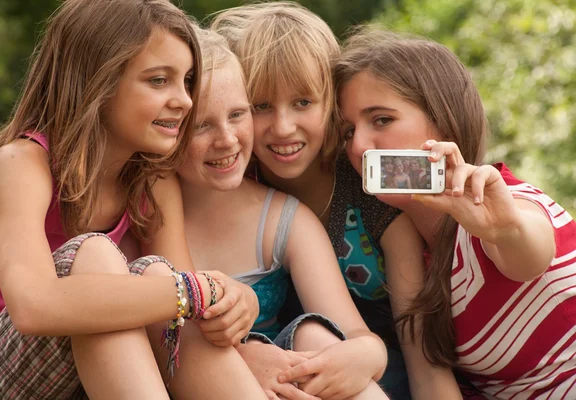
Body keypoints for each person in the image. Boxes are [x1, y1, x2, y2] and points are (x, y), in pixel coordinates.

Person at [0, 1, 265, 398]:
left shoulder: (152, 178)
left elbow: (182, 307)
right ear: (97, 79)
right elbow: (33, 306)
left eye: (187, 81)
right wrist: (198, 290)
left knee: (158, 276)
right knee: (95, 255)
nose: (184, 99)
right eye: (159, 80)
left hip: (93, 369)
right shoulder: (23, 164)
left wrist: (236, 299)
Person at [335, 28, 576, 399]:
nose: (360, 146)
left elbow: (529, 252)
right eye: (348, 131)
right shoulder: (405, 252)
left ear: (444, 120)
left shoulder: (500, 198)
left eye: (381, 120)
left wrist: (504, 229)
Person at [210, 4, 422, 398]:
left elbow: (420, 346)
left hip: (389, 370)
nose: (283, 127)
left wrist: (367, 354)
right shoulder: (235, 185)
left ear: (332, 103)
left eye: (303, 102)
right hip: (299, 366)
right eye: (260, 106)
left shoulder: (369, 186)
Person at [167, 26, 390, 400]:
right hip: (184, 377)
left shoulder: (283, 218)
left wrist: (365, 353)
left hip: (286, 377)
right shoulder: (141, 214)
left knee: (314, 336)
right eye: (201, 124)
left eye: (238, 114)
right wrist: (240, 358)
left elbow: (355, 334)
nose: (226, 139)